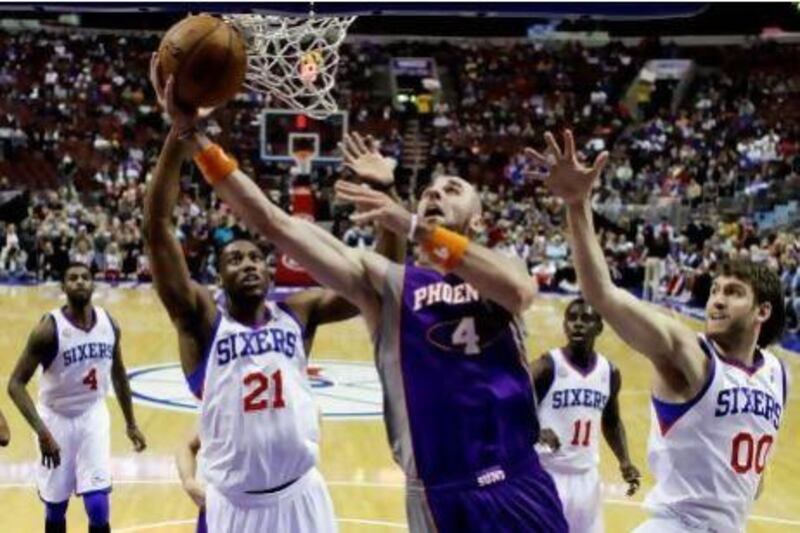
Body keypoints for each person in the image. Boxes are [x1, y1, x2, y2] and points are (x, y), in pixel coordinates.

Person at [155, 72, 568, 532]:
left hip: (520, 478)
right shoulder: (388, 285)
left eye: (451, 191)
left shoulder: (499, 267)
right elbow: (273, 222)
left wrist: (412, 224)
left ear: (477, 216)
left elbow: (520, 292)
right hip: (442, 493)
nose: (435, 195)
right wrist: (193, 138)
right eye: (428, 192)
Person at [144, 56, 405, 533]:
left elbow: (383, 288)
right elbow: (157, 229)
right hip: (235, 505)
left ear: (270, 270)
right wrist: (178, 136)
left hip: (302, 495)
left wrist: (386, 199)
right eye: (235, 259)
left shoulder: (297, 314)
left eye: (255, 257)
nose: (248, 263)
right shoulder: (202, 321)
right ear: (218, 277)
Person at [527, 130, 790, 532]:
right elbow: (604, 294)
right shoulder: (689, 353)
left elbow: (752, 467)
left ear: (763, 311)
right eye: (715, 291)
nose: (716, 300)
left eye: (733, 293)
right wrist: (577, 205)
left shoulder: (776, 372)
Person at [7, 262, 147, 533]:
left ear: (93, 284)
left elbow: (118, 373)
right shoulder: (48, 329)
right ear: (63, 287)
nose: (80, 282)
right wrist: (43, 433)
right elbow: (15, 384)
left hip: (92, 415)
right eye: (72, 278)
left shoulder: (109, 324)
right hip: (54, 419)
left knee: (97, 505)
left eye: (85, 277)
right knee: (56, 507)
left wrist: (131, 423)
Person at [532, 297, 641, 533]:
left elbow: (611, 422)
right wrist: (535, 431)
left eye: (586, 319)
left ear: (599, 327)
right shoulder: (547, 366)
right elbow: (510, 409)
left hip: (587, 478)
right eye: (571, 319)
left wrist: (625, 461)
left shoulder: (609, 372)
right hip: (547, 474)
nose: (578, 324)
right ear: (564, 326)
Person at [176, 430, 207, 533]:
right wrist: (188, 481)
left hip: (258, 511)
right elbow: (187, 445)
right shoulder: (221, 415)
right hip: (217, 511)